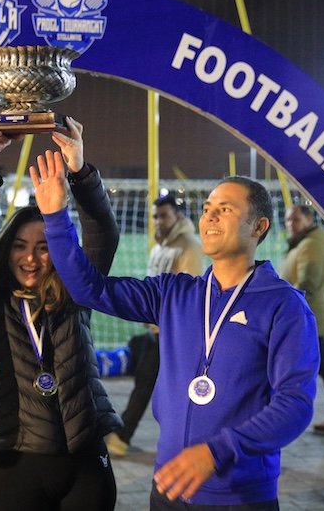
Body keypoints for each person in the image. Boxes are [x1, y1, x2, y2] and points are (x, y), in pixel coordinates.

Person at [34, 164, 320, 509]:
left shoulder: (285, 306)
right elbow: (89, 289)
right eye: (207, 209)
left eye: (225, 209)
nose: (210, 216)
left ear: (259, 226)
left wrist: (218, 451)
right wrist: (55, 216)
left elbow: (295, 405)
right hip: (168, 489)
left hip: (238, 497)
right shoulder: (173, 292)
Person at [0, 118, 122, 511]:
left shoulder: (77, 292)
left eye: (44, 247)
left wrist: (80, 171)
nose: (30, 257)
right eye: (20, 246)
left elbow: (103, 233)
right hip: (17, 459)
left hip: (85, 460)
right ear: (7, 250)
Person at [106, 194, 203, 457]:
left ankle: (121, 438)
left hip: (173, 333)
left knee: (149, 384)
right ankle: (123, 436)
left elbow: (190, 293)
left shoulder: (189, 246)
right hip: (156, 330)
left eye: (164, 216)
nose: (159, 221)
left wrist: (175, 327)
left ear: (177, 217)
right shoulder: (159, 246)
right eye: (155, 217)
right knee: (151, 384)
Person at [281, 204, 324, 433]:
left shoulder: (311, 245)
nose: (291, 224)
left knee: (322, 368)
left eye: (296, 219)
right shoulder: (304, 242)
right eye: (288, 220)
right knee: (320, 368)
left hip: (306, 318)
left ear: (309, 220)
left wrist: (287, 310)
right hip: (303, 317)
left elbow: (307, 284)